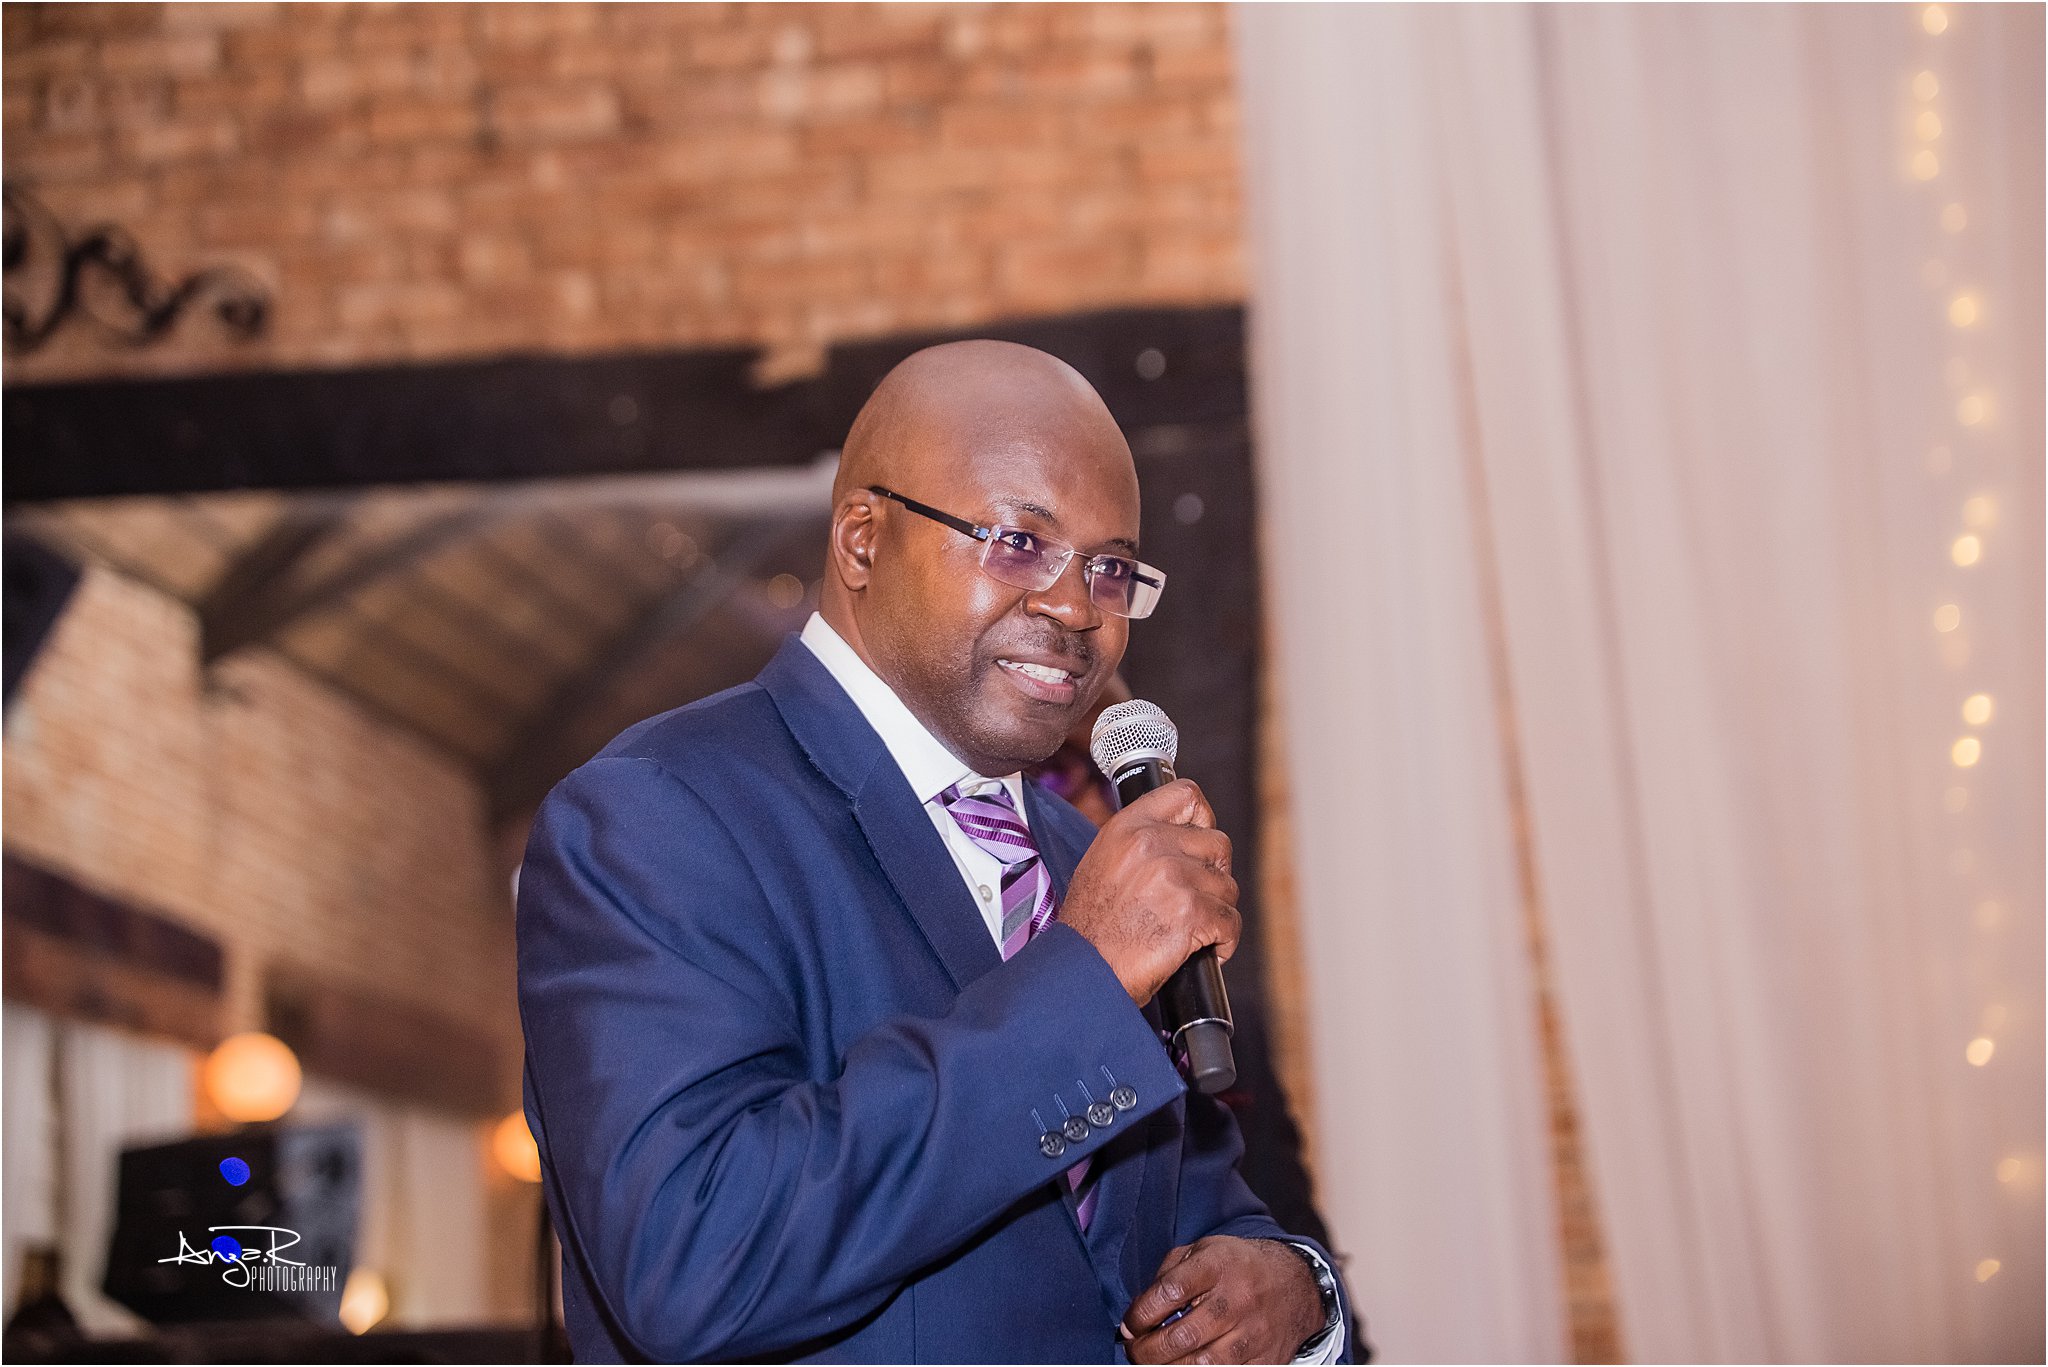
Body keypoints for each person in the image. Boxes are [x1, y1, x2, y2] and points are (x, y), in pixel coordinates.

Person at [517, 340, 1354, 1363]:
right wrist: (1086, 977)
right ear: (862, 540)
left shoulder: (1079, 857)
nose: (1075, 607)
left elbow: (1194, 1209)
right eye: (1018, 542)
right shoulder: (657, 814)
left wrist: (1292, 1290)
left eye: (1109, 568)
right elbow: (696, 1253)